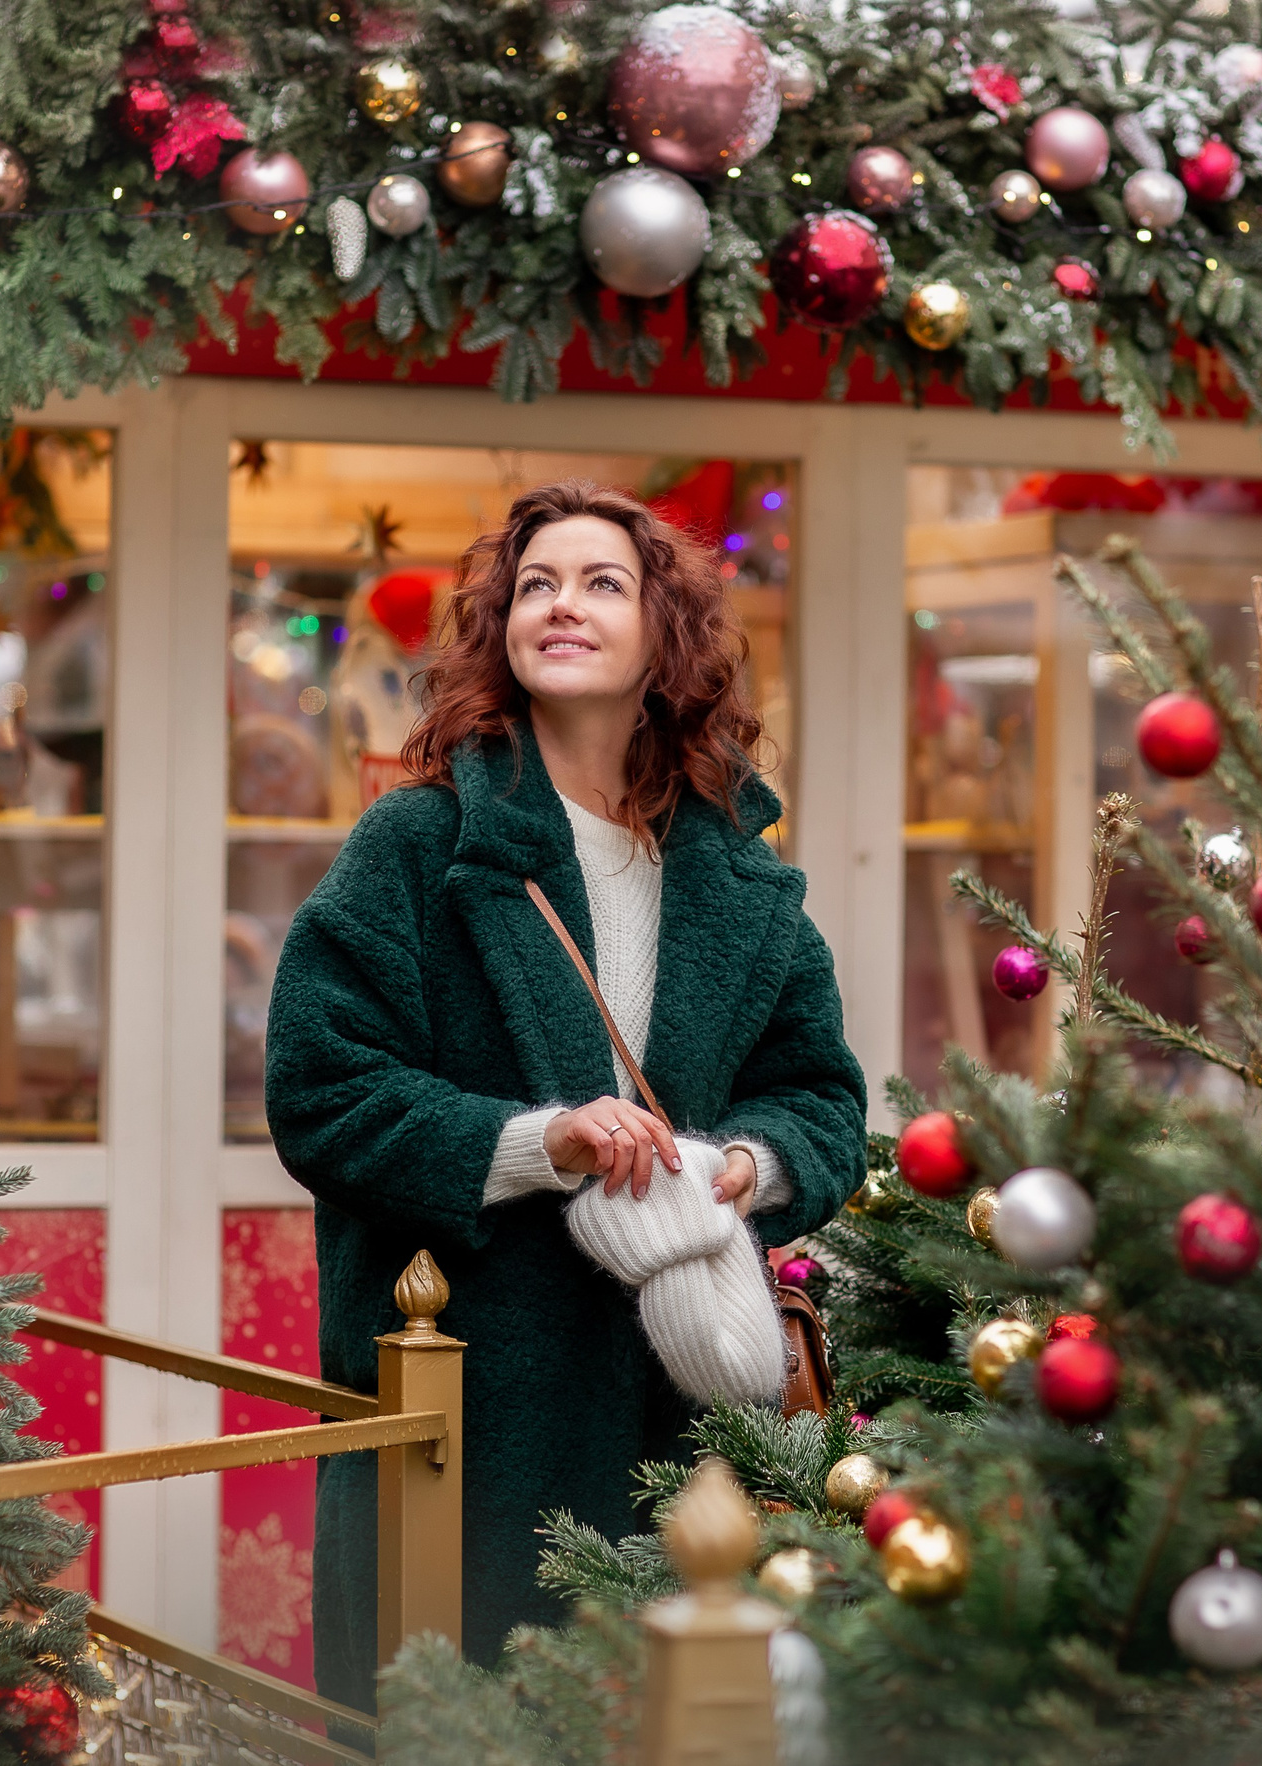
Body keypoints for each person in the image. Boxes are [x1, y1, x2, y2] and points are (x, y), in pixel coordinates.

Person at [264, 481, 867, 1710]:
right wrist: (545, 1143)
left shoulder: (741, 880)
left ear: (665, 637)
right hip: (467, 1401)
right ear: (502, 631)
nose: (562, 605)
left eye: (601, 583)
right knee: (458, 1712)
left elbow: (822, 1101)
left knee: (657, 1721)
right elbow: (320, 1084)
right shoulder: (420, 845)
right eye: (535, 584)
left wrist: (741, 1169)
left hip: (678, 1408)